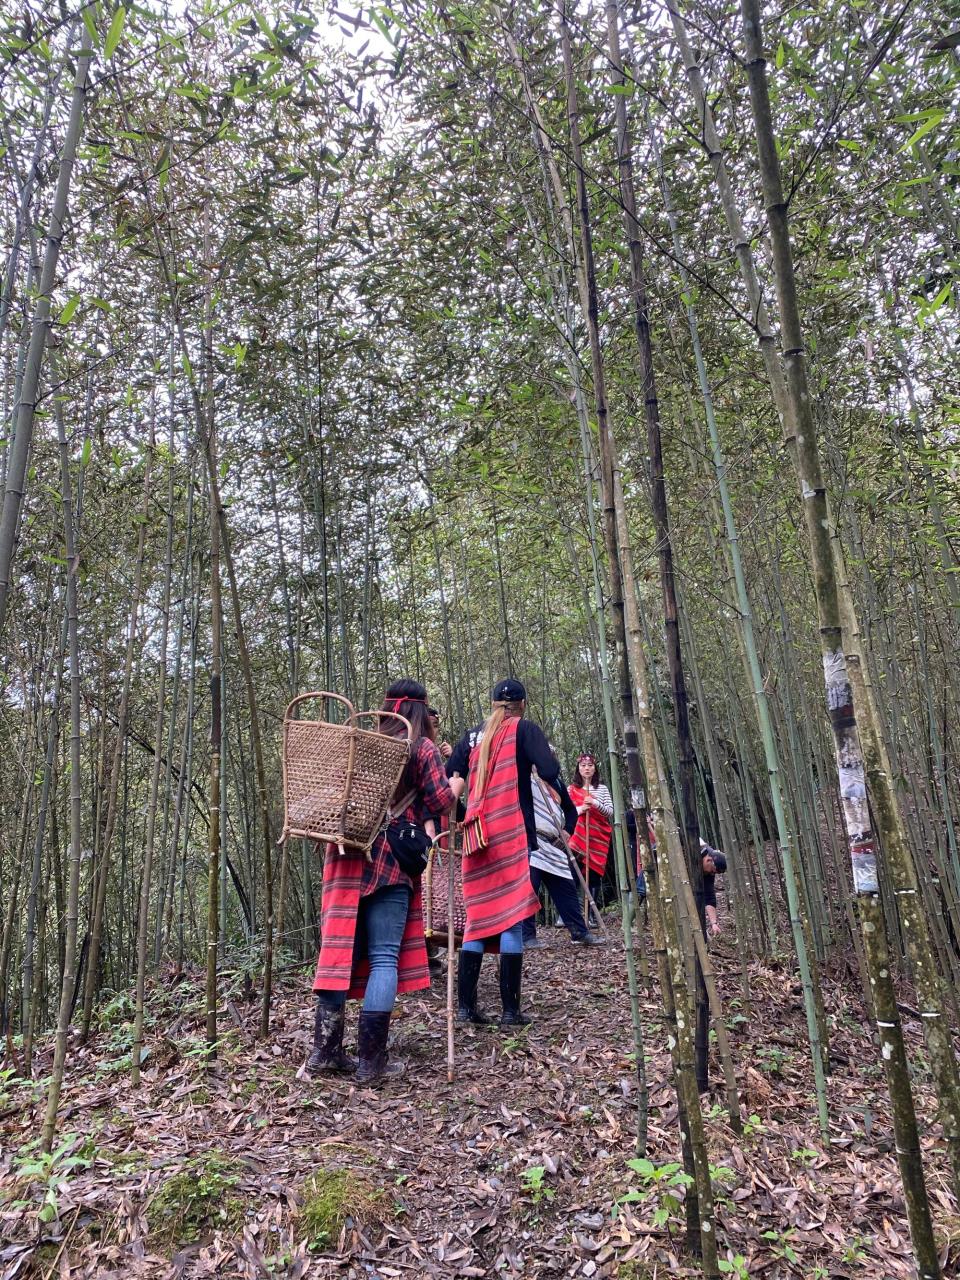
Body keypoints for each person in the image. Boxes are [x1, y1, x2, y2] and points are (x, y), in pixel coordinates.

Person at [307, 679, 462, 1082]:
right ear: (421, 711)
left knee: (337, 952)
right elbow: (441, 800)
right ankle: (370, 1062)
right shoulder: (421, 748)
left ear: (386, 708)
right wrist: (457, 781)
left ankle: (325, 1052)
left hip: (345, 859)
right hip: (391, 861)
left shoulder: (361, 743)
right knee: (383, 957)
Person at [446, 678, 576, 1026]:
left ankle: (465, 1009)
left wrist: (465, 819)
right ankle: (509, 1011)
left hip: (477, 838)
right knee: (512, 919)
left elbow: (447, 783)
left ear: (492, 703)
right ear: (522, 704)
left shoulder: (471, 737)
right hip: (512, 835)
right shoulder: (523, 729)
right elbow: (550, 770)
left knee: (476, 921)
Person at [523, 771, 602, 948]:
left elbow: (570, 810)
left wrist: (567, 830)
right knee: (529, 891)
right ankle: (527, 937)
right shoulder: (524, 778)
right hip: (532, 842)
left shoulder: (556, 783)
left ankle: (579, 932)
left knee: (567, 889)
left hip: (555, 845)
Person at [568, 754, 614, 905]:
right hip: (577, 838)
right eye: (583, 765)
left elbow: (610, 811)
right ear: (578, 768)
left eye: (590, 765)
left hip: (597, 838)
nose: (586, 768)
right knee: (572, 870)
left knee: (593, 875)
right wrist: (581, 808)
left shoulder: (602, 789)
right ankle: (572, 911)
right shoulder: (571, 789)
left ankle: (592, 914)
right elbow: (564, 813)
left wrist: (594, 803)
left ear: (595, 768)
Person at [700, 837, 727, 936]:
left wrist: (714, 923)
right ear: (708, 860)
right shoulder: (693, 844)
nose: (711, 874)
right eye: (712, 871)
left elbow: (709, 896)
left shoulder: (708, 873)